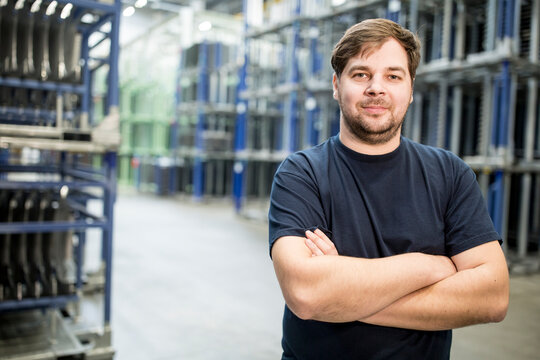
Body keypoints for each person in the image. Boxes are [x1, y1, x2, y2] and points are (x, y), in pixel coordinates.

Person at [268, 18, 509, 359]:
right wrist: (428, 267)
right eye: (361, 74)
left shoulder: (450, 174)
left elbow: (492, 298)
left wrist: (340, 296)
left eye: (393, 76)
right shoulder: (301, 173)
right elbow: (306, 293)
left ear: (410, 90)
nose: (376, 88)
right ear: (337, 85)